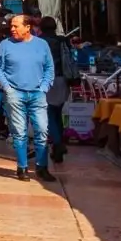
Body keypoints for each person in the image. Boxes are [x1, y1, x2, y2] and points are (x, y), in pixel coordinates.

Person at [0, 13, 57, 182]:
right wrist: (7, 88)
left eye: (16, 26)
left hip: (37, 93)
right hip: (15, 93)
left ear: (28, 27)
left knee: (42, 130)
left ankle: (41, 167)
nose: (12, 29)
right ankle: (22, 167)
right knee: (19, 133)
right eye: (11, 26)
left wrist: (44, 87)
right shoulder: (5, 45)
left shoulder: (42, 44)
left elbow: (49, 68)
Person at [38, 16, 78, 162]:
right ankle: (57, 148)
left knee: (49, 113)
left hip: (46, 80)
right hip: (63, 79)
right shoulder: (63, 40)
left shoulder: (39, 41)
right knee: (57, 112)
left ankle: (57, 143)